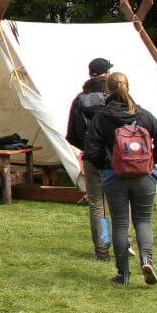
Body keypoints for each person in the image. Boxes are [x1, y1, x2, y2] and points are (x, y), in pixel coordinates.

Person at [84, 72, 157, 287]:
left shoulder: (102, 117)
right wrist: (151, 160)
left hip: (115, 176)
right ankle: (146, 260)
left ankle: (123, 274)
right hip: (145, 177)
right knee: (143, 221)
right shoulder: (144, 115)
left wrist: (107, 165)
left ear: (109, 90)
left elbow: (91, 149)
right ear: (128, 87)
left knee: (120, 224)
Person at [66, 57, 114, 259]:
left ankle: (102, 248)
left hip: (92, 157)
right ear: (106, 73)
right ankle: (124, 243)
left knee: (98, 204)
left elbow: (72, 133)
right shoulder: (115, 97)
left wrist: (88, 148)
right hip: (115, 157)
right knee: (119, 202)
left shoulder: (79, 99)